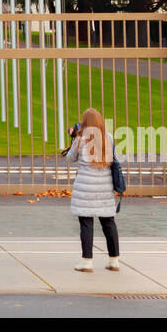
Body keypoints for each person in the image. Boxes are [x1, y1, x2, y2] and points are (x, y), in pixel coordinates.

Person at [62, 107, 121, 272]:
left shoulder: (80, 139)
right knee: (108, 222)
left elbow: (69, 159)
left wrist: (74, 137)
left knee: (86, 223)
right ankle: (114, 260)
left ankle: (87, 261)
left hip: (85, 188)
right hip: (104, 187)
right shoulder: (108, 138)